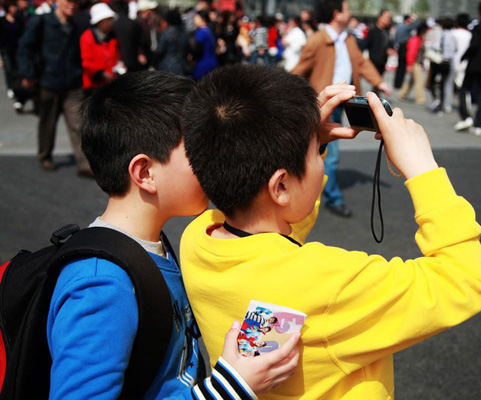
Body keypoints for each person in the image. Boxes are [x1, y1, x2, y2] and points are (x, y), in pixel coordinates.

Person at [179, 64, 481, 399]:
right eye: (318, 154)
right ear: (280, 185)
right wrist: (422, 168)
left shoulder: (198, 237)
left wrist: (309, 142)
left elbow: (277, 232)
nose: (322, 158)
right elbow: (465, 279)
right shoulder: (332, 284)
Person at [48, 70, 300, 399]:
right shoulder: (101, 285)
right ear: (145, 172)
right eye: (198, 148)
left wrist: (306, 144)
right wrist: (230, 387)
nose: (216, 157)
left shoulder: (150, 248)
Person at [292, 0, 391, 218]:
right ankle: (332, 198)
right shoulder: (318, 40)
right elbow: (300, 69)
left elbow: (361, 64)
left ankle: (308, 193)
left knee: (322, 150)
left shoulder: (348, 39)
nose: (350, 12)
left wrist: (379, 82)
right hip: (325, 104)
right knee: (330, 153)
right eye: (346, 9)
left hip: (345, 101)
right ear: (337, 14)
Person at [17, 0, 93, 176]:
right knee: (48, 122)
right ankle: (45, 155)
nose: (72, 5)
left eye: (75, 3)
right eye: (68, 1)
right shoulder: (41, 21)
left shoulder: (75, 24)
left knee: (78, 124)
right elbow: (25, 48)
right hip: (48, 81)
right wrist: (28, 73)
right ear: (57, 1)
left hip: (72, 83)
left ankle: (84, 163)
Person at [454, 0, 481, 137]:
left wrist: (464, 56)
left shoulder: (479, 27)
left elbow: (474, 45)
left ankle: (466, 116)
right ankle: (479, 124)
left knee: (463, 90)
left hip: (474, 65)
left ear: (480, 11)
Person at [80, 3, 122, 95]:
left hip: (110, 83)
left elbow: (116, 56)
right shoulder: (87, 37)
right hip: (93, 86)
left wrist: (119, 65)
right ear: (99, 21)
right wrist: (101, 74)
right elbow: (86, 63)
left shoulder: (112, 37)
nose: (111, 23)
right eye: (107, 20)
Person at [427, 17, 456, 114]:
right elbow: (455, 49)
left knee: (432, 82)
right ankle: (441, 107)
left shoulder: (440, 34)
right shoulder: (453, 35)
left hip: (438, 61)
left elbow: (435, 46)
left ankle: (436, 99)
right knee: (443, 84)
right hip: (448, 62)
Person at [361, 9, 394, 91]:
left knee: (377, 85)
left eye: (389, 18)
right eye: (387, 17)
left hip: (383, 62)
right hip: (374, 62)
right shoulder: (372, 31)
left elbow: (389, 44)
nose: (388, 20)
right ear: (380, 17)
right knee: (376, 83)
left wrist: (389, 49)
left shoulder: (387, 31)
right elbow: (364, 45)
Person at [445, 13, 471, 113]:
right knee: (464, 87)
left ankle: (447, 105)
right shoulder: (469, 34)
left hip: (453, 62)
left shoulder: (453, 32)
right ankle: (466, 107)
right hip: (464, 63)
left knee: (449, 84)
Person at [397, 23, 428, 105]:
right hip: (414, 63)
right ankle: (420, 98)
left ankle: (402, 94)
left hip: (416, 63)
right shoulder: (415, 40)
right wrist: (410, 64)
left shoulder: (418, 39)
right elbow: (411, 53)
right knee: (419, 81)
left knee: (411, 81)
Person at [154, 7, 189, 75]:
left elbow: (160, 50)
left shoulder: (166, 33)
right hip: (182, 65)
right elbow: (187, 50)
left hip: (168, 66)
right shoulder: (184, 32)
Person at [393, 13, 420, 93]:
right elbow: (417, 24)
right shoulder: (407, 27)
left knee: (399, 67)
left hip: (399, 47)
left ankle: (397, 83)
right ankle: (400, 84)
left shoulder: (399, 26)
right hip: (405, 47)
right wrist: (415, 18)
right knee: (403, 67)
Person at [191, 10, 217, 80]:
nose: (194, 20)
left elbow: (198, 49)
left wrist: (192, 58)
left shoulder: (201, 32)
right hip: (212, 63)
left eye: (196, 18)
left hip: (202, 65)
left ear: (203, 19)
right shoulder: (209, 30)